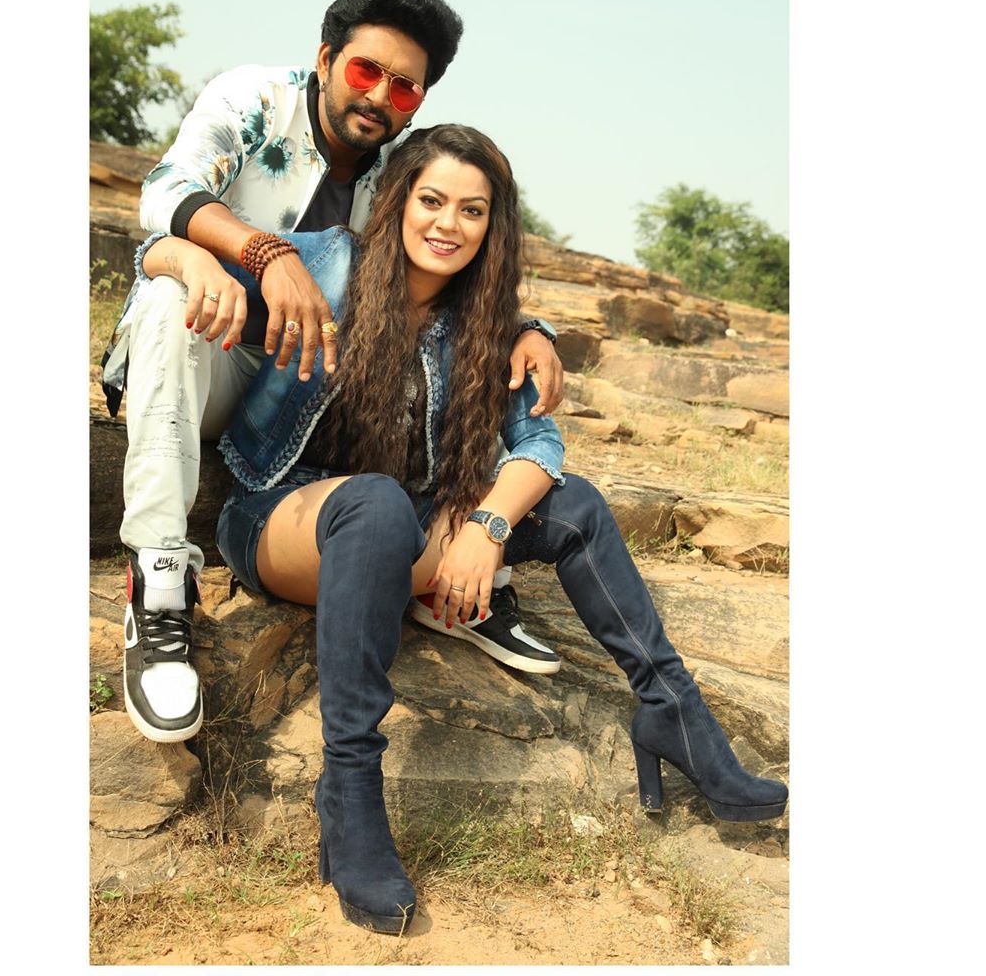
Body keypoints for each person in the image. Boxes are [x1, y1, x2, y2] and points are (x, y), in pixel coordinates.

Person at [137, 125, 789, 935]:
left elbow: (541, 447)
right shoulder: (326, 263)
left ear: (493, 225)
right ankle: (348, 787)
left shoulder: (488, 323)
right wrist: (197, 261)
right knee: (376, 504)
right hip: (283, 517)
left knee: (577, 506)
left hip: (400, 530)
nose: (448, 223)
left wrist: (485, 527)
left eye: (472, 210)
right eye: (432, 201)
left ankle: (674, 716)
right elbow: (151, 255)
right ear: (399, 202)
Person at [100, 0, 564, 744]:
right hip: (210, 360)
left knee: (458, 366)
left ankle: (456, 574)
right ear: (325, 60)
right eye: (365, 70)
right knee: (169, 302)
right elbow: (164, 195)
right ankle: (158, 590)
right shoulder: (255, 100)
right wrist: (258, 252)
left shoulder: (398, 170)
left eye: (405, 87)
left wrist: (530, 329)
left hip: (308, 391)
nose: (380, 96)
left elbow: (447, 273)